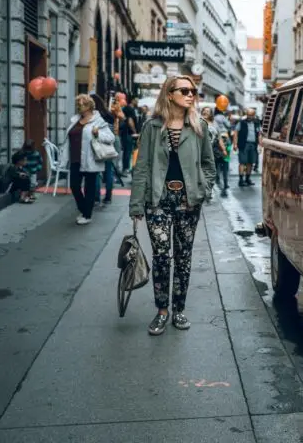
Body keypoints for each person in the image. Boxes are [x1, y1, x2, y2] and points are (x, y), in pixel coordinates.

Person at [130, 76, 215, 336]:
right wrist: (136, 205)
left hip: (188, 201)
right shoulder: (152, 127)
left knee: (183, 257)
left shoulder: (199, 126)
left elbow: (209, 165)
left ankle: (179, 308)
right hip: (157, 200)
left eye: (193, 91)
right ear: (169, 94)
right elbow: (142, 166)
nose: (191, 95)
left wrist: (204, 189)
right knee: (161, 256)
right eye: (185, 90)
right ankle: (162, 310)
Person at [61, 94, 115, 225]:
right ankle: (84, 209)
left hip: (90, 159)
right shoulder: (75, 120)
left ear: (89, 106)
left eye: (82, 104)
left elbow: (111, 137)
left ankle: (87, 215)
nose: (79, 106)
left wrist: (98, 134)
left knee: (89, 188)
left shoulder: (98, 121)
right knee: (74, 186)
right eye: (78, 104)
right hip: (75, 158)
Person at [233, 108, 261, 186]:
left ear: (254, 115)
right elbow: (236, 133)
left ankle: (247, 179)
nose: (249, 116)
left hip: (253, 145)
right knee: (242, 162)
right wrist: (235, 144)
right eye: (248, 115)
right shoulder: (241, 122)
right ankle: (241, 180)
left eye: (251, 115)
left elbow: (259, 134)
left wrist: (260, 145)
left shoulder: (257, 123)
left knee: (250, 162)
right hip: (243, 144)